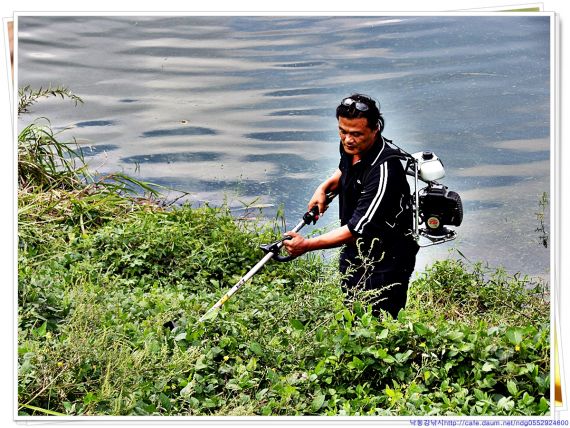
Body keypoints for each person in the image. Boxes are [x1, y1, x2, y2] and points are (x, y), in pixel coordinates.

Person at [282, 93, 419, 318]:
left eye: (356, 134)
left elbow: (357, 230)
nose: (347, 140)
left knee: (379, 322)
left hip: (386, 259)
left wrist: (305, 245)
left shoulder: (385, 171)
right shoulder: (350, 147)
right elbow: (346, 169)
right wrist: (324, 187)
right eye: (342, 131)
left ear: (376, 129)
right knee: (353, 311)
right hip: (355, 251)